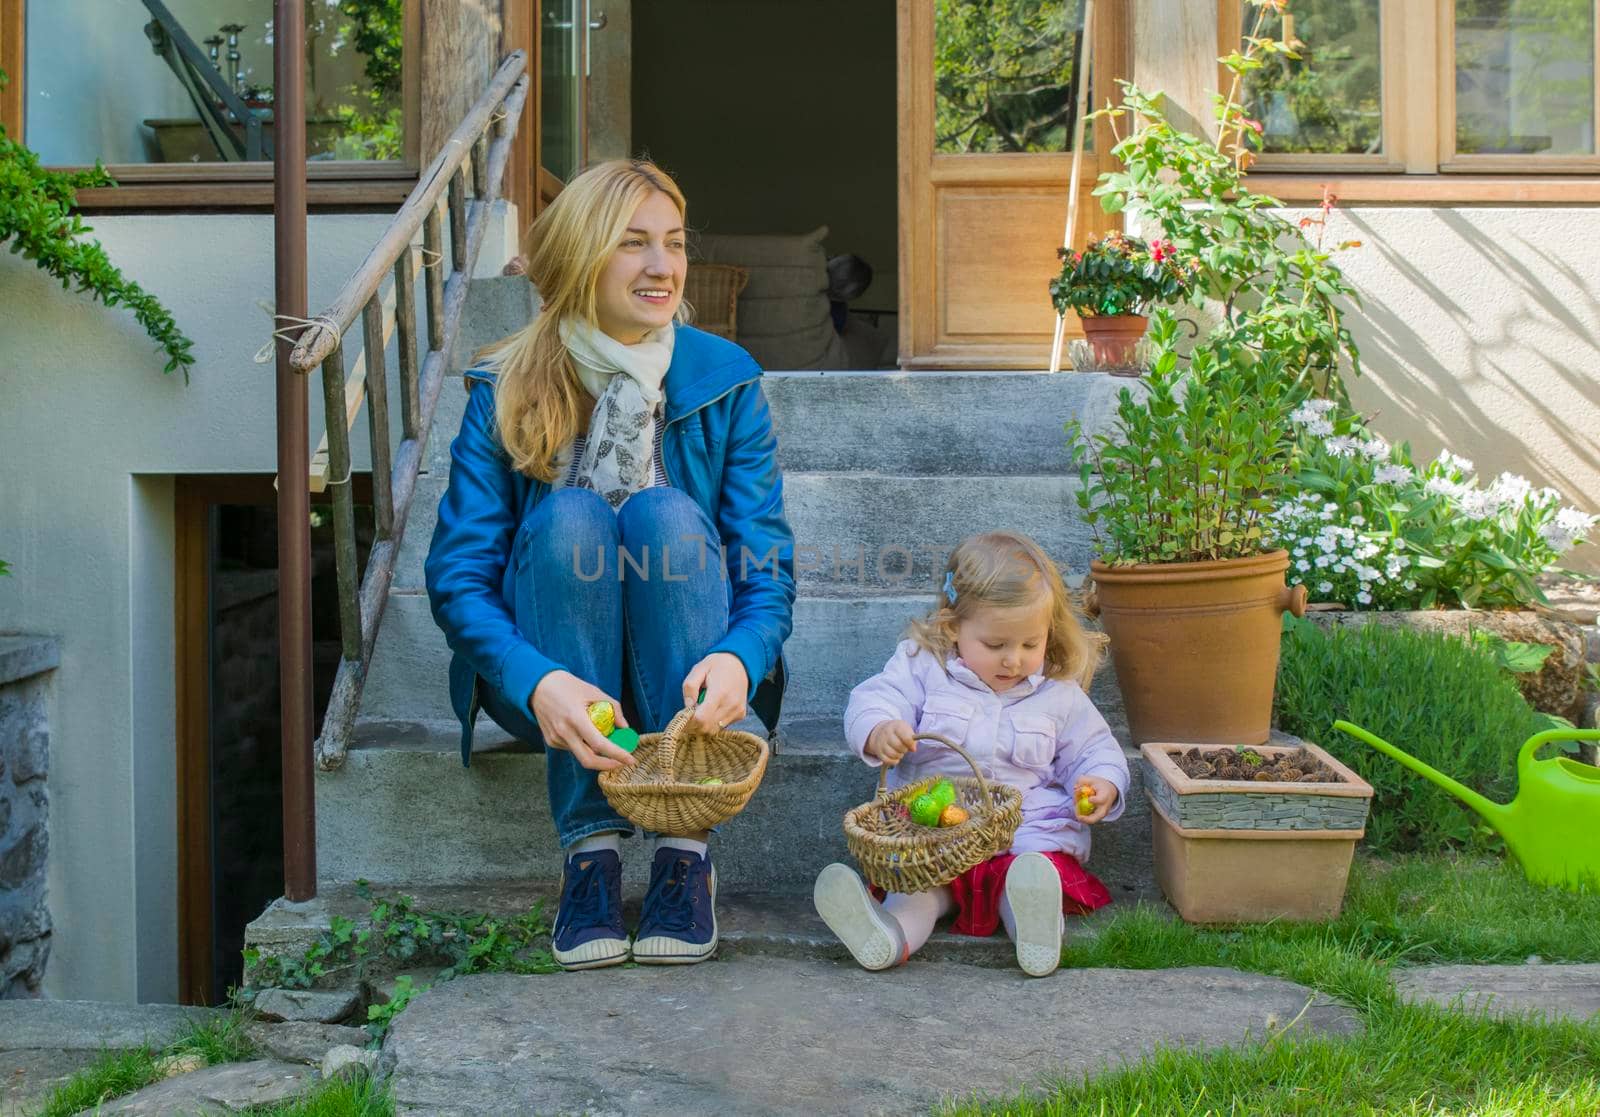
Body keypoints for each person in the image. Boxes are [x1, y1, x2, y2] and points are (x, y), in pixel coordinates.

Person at [425, 160, 795, 972]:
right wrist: (532, 678)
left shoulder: (723, 379)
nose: (662, 267)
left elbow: (765, 562)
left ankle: (682, 848)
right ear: (582, 253)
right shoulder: (504, 383)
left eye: (673, 243)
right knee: (569, 516)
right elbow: (457, 574)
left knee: (661, 512)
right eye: (633, 244)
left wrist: (741, 655)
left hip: (692, 682)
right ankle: (588, 852)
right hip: (558, 675)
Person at [813, 531, 1126, 977]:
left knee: (1028, 880)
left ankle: (1036, 929)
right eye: (995, 645)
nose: (1013, 661)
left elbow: (1096, 747)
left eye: (1029, 644)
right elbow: (875, 699)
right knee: (918, 890)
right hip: (935, 834)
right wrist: (880, 729)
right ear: (952, 625)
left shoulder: (1059, 694)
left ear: (1048, 634)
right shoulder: (923, 665)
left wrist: (1104, 784)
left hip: (1024, 834)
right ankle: (887, 936)